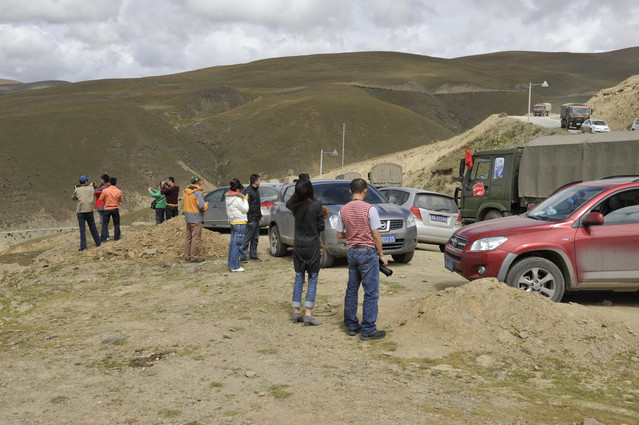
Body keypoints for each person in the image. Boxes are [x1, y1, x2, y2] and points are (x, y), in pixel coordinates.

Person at [336, 178, 388, 341]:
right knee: (371, 292)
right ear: (365, 191)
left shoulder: (342, 210)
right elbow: (376, 235)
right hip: (367, 252)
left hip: (352, 252)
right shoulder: (370, 209)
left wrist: (352, 234)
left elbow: (339, 235)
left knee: (352, 289)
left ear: (350, 191)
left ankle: (351, 325)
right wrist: (381, 255)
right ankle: (368, 329)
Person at [286, 176, 325, 326]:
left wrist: (298, 187)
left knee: (299, 277)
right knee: (313, 278)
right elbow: (321, 226)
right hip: (312, 246)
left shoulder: (295, 205)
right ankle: (308, 313)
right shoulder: (317, 205)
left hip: (298, 246)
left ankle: (297, 311)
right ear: (310, 189)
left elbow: (289, 202)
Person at [225, 178, 249, 272]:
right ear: (238, 190)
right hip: (240, 223)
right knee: (237, 245)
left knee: (233, 244)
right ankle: (235, 266)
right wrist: (245, 199)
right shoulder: (237, 199)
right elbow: (245, 209)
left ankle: (231, 264)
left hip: (233, 222)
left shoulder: (228, 198)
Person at [183, 175, 208, 262]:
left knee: (188, 237)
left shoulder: (185, 192)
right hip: (196, 218)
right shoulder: (198, 193)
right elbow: (201, 206)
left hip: (188, 218)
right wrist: (206, 206)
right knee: (196, 238)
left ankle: (187, 255)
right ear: (198, 182)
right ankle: (195, 257)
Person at [72, 175, 101, 251]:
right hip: (89, 210)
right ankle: (98, 242)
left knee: (82, 229)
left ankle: (83, 246)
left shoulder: (77, 190)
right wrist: (92, 186)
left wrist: (76, 189)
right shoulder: (91, 189)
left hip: (81, 211)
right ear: (86, 182)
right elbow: (93, 191)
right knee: (93, 227)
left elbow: (73, 198)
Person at [240, 174, 263, 262]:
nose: (260, 182)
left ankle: (253, 255)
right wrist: (249, 220)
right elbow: (246, 207)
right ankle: (242, 256)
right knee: (247, 237)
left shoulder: (256, 191)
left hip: (256, 218)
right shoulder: (248, 191)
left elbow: (257, 205)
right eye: (259, 180)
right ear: (255, 181)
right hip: (251, 219)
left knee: (255, 238)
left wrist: (260, 215)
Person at [100, 177, 123, 241]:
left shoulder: (105, 191)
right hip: (115, 208)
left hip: (107, 208)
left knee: (105, 224)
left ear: (109, 183)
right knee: (116, 223)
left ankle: (103, 238)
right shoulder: (119, 191)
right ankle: (116, 238)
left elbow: (101, 199)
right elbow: (120, 200)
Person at [94, 174, 110, 241]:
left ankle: (105, 236)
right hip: (107, 205)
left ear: (103, 180)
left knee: (102, 222)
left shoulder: (104, 187)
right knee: (105, 221)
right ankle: (107, 235)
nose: (100, 180)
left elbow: (96, 191)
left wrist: (93, 187)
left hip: (101, 205)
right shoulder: (108, 185)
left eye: (101, 179)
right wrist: (96, 186)